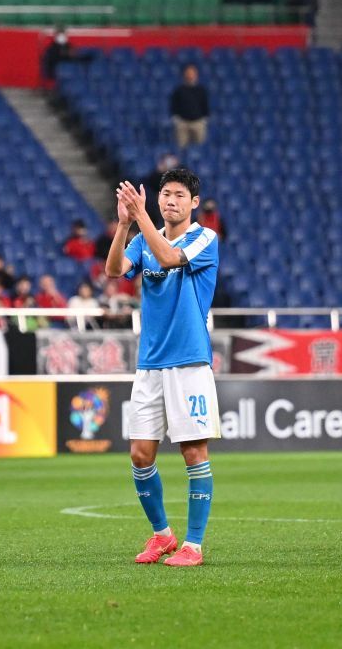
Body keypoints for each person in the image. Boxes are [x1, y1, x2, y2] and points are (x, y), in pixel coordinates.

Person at [103, 168, 221, 566]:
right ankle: (162, 535)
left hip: (188, 360)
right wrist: (123, 226)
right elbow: (115, 270)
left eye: (177, 195)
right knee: (139, 454)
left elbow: (171, 258)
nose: (169, 200)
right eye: (164, 194)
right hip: (150, 362)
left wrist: (141, 219)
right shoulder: (141, 238)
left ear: (192, 203)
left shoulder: (205, 238)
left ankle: (194, 545)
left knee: (193, 451)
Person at [170, 63, 210, 148]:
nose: (190, 75)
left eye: (192, 73)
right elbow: (174, 105)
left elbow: (205, 105)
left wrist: (204, 119)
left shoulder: (201, 90)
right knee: (181, 147)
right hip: (183, 123)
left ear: (196, 74)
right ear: (185, 74)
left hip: (198, 122)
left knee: (200, 146)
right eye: (188, 73)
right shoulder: (179, 90)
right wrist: (176, 119)